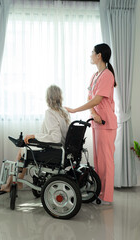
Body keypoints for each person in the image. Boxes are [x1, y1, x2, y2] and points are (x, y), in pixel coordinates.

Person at [66, 43, 117, 204]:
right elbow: (90, 98)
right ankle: (99, 191)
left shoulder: (107, 75)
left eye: (92, 53)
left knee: (106, 161)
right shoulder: (95, 75)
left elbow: (97, 99)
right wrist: (93, 113)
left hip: (106, 123)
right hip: (97, 122)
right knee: (99, 161)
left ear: (99, 55)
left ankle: (107, 196)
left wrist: (74, 110)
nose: (90, 55)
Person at [0, 85, 70, 192]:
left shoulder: (50, 112)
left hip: (54, 151)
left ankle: (8, 185)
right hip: (60, 150)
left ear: (48, 98)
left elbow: (55, 138)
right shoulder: (64, 112)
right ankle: (17, 182)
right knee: (25, 150)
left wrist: (34, 136)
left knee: (22, 152)